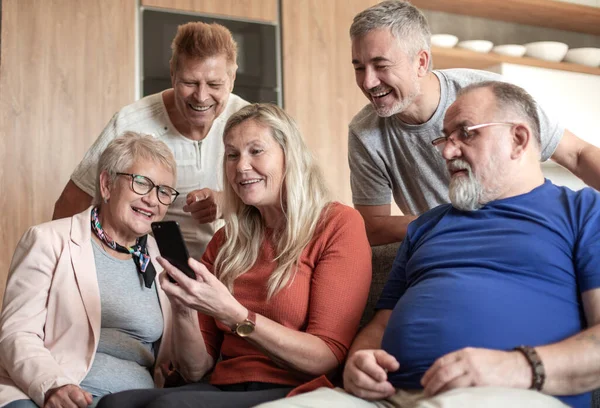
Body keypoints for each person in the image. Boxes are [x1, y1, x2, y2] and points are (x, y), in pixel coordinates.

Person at [254, 81, 600, 408]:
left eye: (465, 133)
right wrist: (359, 362)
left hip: (506, 392)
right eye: (444, 139)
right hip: (383, 398)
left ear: (518, 138)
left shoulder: (582, 212)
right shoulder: (427, 225)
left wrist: (518, 367)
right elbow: (381, 325)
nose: (448, 151)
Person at [94, 103, 373, 408]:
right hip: (225, 387)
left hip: (296, 390)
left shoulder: (337, 224)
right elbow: (196, 369)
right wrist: (185, 307)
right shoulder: (225, 241)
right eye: (232, 155)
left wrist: (235, 314)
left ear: (289, 156)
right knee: (114, 405)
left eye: (256, 151)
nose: (241, 166)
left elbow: (325, 356)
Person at [348, 0, 600, 246]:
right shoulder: (364, 132)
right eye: (359, 68)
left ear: (421, 62)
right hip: (450, 246)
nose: (368, 82)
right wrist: (458, 224)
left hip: (525, 235)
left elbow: (577, 154)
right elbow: (372, 226)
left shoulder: (489, 94)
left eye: (381, 65)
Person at [0, 132, 179, 408]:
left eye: (164, 191)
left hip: (139, 401)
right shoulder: (47, 241)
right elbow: (17, 334)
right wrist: (53, 386)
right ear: (107, 185)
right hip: (57, 393)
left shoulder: (162, 259)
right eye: (141, 183)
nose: (153, 200)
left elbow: (177, 363)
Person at [52, 21, 249, 259]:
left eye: (215, 84)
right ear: (172, 73)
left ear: (232, 77)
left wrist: (226, 202)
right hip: (149, 269)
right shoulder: (129, 123)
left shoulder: (248, 122)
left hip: (229, 268)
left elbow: (282, 201)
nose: (201, 96)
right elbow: (69, 206)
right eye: (190, 82)